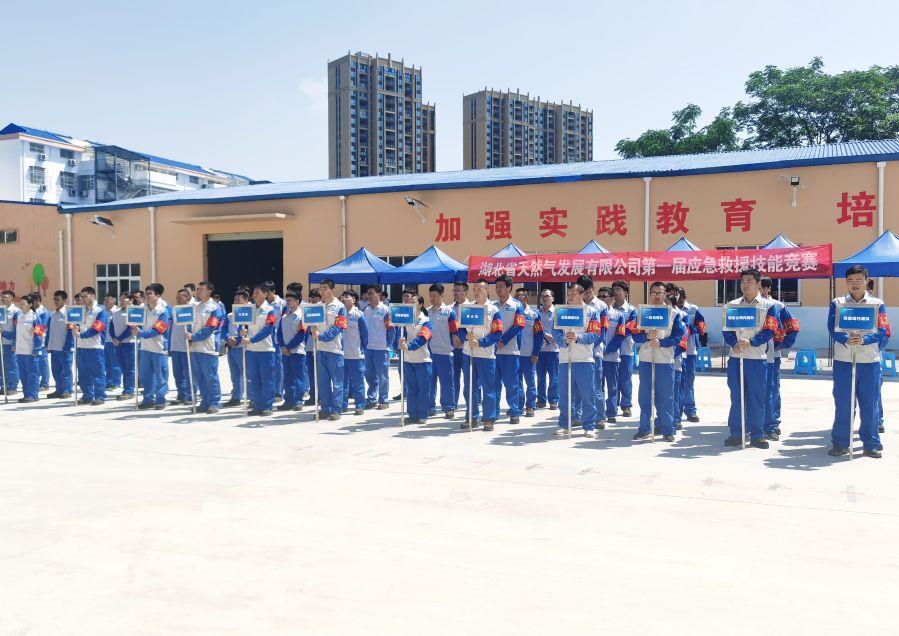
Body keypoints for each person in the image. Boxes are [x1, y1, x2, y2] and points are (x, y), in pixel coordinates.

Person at [827, 265, 890, 458]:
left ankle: (871, 443)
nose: (855, 284)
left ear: (866, 281)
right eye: (851, 281)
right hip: (844, 360)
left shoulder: (877, 304)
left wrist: (865, 340)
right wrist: (846, 338)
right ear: (846, 282)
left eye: (859, 280)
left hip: (869, 361)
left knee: (870, 404)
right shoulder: (837, 303)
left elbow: (883, 331)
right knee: (844, 403)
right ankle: (840, 443)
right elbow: (832, 327)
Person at [722, 268, 779, 449]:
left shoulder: (768, 306)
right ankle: (736, 433)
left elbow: (770, 330)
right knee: (737, 397)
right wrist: (733, 343)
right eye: (743, 281)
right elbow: (726, 329)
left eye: (749, 281)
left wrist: (752, 342)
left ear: (758, 283)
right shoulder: (732, 305)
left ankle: (757, 435)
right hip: (736, 357)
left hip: (756, 359)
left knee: (757, 397)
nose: (745, 284)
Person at [630, 282, 686, 442]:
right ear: (649, 294)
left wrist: (661, 342)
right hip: (646, 359)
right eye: (653, 293)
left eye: (659, 293)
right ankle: (644, 428)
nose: (656, 296)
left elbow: (678, 337)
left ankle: (668, 429)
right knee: (645, 396)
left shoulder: (674, 314)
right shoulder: (641, 312)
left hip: (665, 360)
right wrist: (646, 337)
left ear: (665, 294)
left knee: (666, 396)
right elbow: (634, 335)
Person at [551, 282, 603, 438]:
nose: (570, 297)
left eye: (574, 294)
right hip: (565, 359)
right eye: (569, 294)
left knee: (588, 395)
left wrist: (578, 337)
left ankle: (589, 426)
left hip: (584, 359)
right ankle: (564, 424)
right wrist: (563, 340)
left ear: (582, 294)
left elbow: (595, 334)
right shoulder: (560, 311)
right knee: (565, 395)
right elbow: (555, 332)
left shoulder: (591, 312)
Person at [460, 279, 503, 431]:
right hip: (468, 353)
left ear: (487, 291)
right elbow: (460, 330)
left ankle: (489, 418)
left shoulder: (494, 310)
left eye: (480, 289)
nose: (477, 292)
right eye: (475, 289)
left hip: (486, 355)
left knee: (488, 388)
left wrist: (481, 343)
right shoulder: (467, 308)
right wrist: (466, 336)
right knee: (469, 388)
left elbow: (497, 333)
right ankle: (471, 417)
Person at [760, 277, 800, 439]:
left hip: (771, 355)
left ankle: (772, 423)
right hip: (750, 355)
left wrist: (783, 344)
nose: (759, 290)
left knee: (772, 389)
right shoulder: (745, 305)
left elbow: (793, 326)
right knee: (753, 390)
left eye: (762, 287)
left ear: (768, 288)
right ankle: (753, 422)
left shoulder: (777, 306)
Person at [186, 281, 225, 414]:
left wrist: (193, 336)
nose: (198, 291)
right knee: (199, 376)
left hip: (208, 346)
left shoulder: (215, 308)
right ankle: (205, 402)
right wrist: (189, 334)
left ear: (209, 291)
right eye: (197, 289)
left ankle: (214, 402)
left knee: (210, 376)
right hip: (195, 346)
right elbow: (189, 323)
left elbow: (210, 328)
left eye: (201, 289)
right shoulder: (195, 306)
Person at [1, 293, 48, 402]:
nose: (21, 305)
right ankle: (26, 394)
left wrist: (37, 349)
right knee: (23, 374)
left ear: (30, 304)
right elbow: (15, 333)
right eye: (20, 303)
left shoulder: (35, 317)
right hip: (20, 351)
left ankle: (33, 395)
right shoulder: (19, 316)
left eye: (23, 303)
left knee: (33, 373)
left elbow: (39, 334)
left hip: (32, 351)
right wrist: (3, 333)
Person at [314, 279, 347, 421]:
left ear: (332, 290)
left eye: (325, 288)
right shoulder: (317, 306)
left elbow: (338, 327)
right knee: (323, 382)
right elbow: (310, 324)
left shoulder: (340, 307)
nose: (322, 291)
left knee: (337, 382)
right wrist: (311, 329)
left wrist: (322, 336)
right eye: (320, 288)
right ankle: (325, 408)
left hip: (335, 349)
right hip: (320, 349)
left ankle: (336, 409)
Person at [242, 283, 278, 417]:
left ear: (265, 294)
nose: (255, 294)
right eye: (254, 292)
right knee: (254, 379)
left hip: (265, 350)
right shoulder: (249, 309)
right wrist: (242, 333)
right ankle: (257, 406)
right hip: (251, 350)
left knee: (267, 379)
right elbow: (243, 326)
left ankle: (267, 406)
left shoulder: (270, 310)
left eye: (258, 292)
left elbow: (268, 329)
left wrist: (252, 339)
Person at [493, 274, 525, 424]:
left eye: (501, 286)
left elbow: (518, 326)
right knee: (493, 384)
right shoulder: (492, 305)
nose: (498, 289)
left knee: (512, 384)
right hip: (493, 351)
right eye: (497, 287)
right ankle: (493, 412)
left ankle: (514, 411)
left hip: (510, 351)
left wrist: (503, 340)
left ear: (509, 288)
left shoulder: (517, 305)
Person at [579, 275, 609, 428]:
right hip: (577, 353)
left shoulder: (601, 306)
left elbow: (602, 332)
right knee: (578, 386)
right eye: (582, 292)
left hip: (594, 352)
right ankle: (577, 415)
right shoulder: (574, 304)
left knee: (596, 386)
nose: (585, 296)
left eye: (588, 292)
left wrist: (589, 346)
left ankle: (599, 417)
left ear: (593, 289)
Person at [134, 284, 171, 409]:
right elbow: (135, 323)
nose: (147, 296)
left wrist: (140, 333)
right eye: (146, 293)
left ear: (158, 295)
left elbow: (159, 329)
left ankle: (160, 400)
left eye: (150, 293)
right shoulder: (142, 309)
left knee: (160, 376)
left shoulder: (163, 311)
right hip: (145, 348)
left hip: (159, 348)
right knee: (146, 376)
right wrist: (134, 327)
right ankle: (148, 399)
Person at [398, 294, 433, 424]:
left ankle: (423, 414)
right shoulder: (406, 319)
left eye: (413, 302)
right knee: (411, 389)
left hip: (422, 360)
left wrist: (409, 346)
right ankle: (412, 414)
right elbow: (402, 335)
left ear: (420, 305)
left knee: (423, 389)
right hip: (408, 359)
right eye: (409, 302)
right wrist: (400, 342)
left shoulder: (426, 321)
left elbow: (423, 338)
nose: (410, 304)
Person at [72, 286, 109, 405]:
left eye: (85, 296)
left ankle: (100, 396)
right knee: (83, 374)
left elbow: (97, 328)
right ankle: (87, 395)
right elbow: (76, 324)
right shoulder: (81, 310)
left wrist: (81, 335)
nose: (82, 299)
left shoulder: (100, 311)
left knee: (97, 373)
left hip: (95, 347)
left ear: (93, 296)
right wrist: (75, 328)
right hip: (81, 347)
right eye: (81, 296)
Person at [426, 284, 459, 419]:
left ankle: (448, 407)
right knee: (429, 381)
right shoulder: (426, 312)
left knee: (446, 383)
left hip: (445, 353)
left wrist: (454, 346)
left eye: (435, 296)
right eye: (430, 296)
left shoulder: (449, 312)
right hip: (429, 353)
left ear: (442, 295)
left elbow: (454, 332)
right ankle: (430, 407)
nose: (432, 298)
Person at [677, 288, 706, 423]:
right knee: (676, 383)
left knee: (688, 382)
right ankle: (676, 413)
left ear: (684, 297)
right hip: (675, 352)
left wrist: (690, 328)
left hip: (689, 351)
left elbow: (702, 326)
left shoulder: (693, 309)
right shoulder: (670, 309)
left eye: (678, 296)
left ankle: (690, 410)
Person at [598, 286, 626, 423]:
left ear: (612, 298)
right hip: (597, 356)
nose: (601, 299)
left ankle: (611, 412)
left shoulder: (618, 315)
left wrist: (607, 349)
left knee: (612, 386)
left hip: (612, 357)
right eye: (599, 296)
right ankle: (599, 413)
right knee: (598, 387)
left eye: (604, 296)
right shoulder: (594, 314)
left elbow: (620, 336)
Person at [363, 285, 393, 410]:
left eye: (372, 293)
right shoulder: (366, 310)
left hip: (381, 348)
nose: (369, 295)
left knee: (382, 376)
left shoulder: (385, 310)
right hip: (368, 347)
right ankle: (371, 399)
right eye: (368, 293)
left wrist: (388, 344)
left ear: (379, 294)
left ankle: (384, 400)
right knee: (370, 375)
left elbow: (391, 329)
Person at [278, 290, 308, 412]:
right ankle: (288, 400)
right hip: (285, 352)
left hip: (297, 352)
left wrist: (288, 347)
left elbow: (301, 335)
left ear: (297, 301)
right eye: (287, 300)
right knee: (287, 377)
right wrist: (282, 346)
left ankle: (298, 401)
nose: (287, 303)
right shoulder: (284, 315)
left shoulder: (302, 316)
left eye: (290, 300)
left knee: (298, 377)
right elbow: (279, 332)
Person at [611, 281, 637, 418]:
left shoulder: (632, 310)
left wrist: (618, 335)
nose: (615, 292)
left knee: (625, 378)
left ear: (625, 293)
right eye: (614, 290)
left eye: (618, 290)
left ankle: (626, 405)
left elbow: (630, 328)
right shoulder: (609, 310)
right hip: (611, 350)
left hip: (626, 349)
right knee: (613, 378)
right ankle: (613, 405)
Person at [514, 287, 541, 417]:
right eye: (516, 297)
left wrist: (535, 353)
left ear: (526, 298)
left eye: (520, 296)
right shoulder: (512, 313)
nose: (518, 299)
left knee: (530, 382)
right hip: (514, 353)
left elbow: (539, 335)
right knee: (517, 382)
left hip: (528, 354)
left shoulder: (534, 314)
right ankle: (518, 406)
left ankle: (530, 406)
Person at [340, 290, 367, 415]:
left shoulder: (359, 315)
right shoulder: (339, 314)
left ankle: (360, 405)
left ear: (354, 300)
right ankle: (343, 404)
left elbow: (365, 335)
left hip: (356, 354)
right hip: (341, 353)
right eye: (343, 297)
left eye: (347, 297)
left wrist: (362, 349)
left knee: (358, 381)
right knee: (342, 381)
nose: (344, 299)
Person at [222, 289, 249, 407]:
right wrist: (228, 338)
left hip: (243, 348)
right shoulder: (230, 315)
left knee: (246, 374)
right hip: (231, 348)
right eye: (235, 300)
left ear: (246, 301)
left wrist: (237, 340)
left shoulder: (249, 315)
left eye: (239, 300)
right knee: (234, 375)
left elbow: (246, 330)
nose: (236, 302)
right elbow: (223, 329)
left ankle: (251, 398)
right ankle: (236, 397)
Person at [169, 288, 195, 405]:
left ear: (187, 298)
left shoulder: (192, 310)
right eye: (177, 298)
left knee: (189, 373)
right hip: (175, 346)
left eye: (180, 297)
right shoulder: (174, 310)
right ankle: (181, 395)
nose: (178, 300)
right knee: (178, 374)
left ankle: (191, 396)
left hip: (187, 347)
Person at [109, 291, 137, 400]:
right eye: (120, 299)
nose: (121, 301)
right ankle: (126, 388)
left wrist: (119, 338)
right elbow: (111, 326)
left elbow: (131, 328)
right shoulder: (116, 312)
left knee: (130, 368)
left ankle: (129, 390)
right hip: (118, 344)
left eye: (124, 299)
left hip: (129, 343)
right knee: (123, 367)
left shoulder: (134, 311)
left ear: (131, 300)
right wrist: (114, 338)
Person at [46, 290, 74, 399]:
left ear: (65, 300)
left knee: (66, 370)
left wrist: (68, 345)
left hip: (64, 347)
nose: (56, 302)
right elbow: (49, 330)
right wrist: (47, 344)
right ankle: (59, 389)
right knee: (56, 370)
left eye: (58, 299)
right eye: (54, 299)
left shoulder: (69, 313)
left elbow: (71, 331)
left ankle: (67, 390)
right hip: (54, 347)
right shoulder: (53, 314)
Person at [535, 289, 559, 409]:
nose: (545, 298)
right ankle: (541, 400)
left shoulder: (557, 313)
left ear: (553, 298)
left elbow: (562, 330)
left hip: (553, 350)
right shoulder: (536, 313)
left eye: (547, 296)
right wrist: (544, 335)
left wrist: (553, 338)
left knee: (554, 377)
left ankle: (553, 400)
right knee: (540, 377)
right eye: (543, 296)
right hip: (540, 350)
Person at [264, 281, 287, 401]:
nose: (264, 294)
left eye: (267, 292)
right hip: (264, 340)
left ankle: (278, 392)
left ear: (273, 291)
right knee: (267, 366)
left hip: (277, 340)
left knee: (278, 366)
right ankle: (269, 391)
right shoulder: (262, 304)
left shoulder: (282, 304)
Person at [450, 282, 469, 409]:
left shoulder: (472, 307)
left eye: (458, 290)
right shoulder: (449, 308)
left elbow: (473, 327)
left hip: (467, 349)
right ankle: (453, 403)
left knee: (469, 378)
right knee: (454, 378)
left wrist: (461, 340)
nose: (455, 293)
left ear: (465, 292)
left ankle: (472, 402)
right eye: (454, 290)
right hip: (453, 349)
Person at [1, 289, 22, 394]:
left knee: (12, 366)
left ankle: (12, 387)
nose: (3, 299)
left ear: (12, 298)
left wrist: (14, 343)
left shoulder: (16, 312)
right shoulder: (1, 310)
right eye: (2, 297)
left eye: (5, 297)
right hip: (1, 343)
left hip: (10, 343)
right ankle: (2, 386)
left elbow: (17, 330)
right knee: (2, 366)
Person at [303, 289, 321, 407]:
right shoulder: (307, 309)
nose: (313, 299)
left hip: (320, 346)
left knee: (320, 374)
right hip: (309, 346)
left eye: (315, 296)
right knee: (311, 373)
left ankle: (321, 395)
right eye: (311, 296)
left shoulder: (322, 308)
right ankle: (313, 395)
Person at [102, 292, 122, 391]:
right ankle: (109, 382)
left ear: (114, 300)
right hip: (105, 341)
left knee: (115, 363)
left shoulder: (117, 312)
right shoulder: (104, 312)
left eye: (108, 300)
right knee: (107, 363)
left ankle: (116, 382)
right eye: (105, 300)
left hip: (114, 341)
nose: (106, 302)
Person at [31, 293, 51, 392]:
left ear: (37, 301)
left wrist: (35, 334)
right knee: (35, 363)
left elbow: (42, 327)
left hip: (41, 342)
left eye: (31, 301)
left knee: (43, 363)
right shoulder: (32, 311)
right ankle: (37, 382)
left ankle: (45, 383)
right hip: (33, 342)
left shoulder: (44, 312)